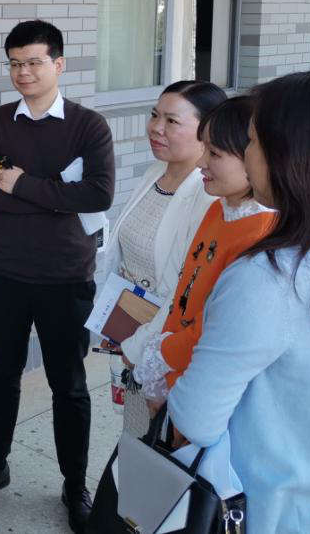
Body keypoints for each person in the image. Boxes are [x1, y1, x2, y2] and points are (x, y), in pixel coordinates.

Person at [167, 71, 310, 534]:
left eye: (251, 141)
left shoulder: (269, 277)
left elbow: (195, 417)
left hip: (273, 513)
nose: (246, 153)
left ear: (290, 156)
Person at [0, 20, 114, 534]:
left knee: (69, 386)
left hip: (66, 278)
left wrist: (22, 184)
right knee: (0, 375)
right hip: (2, 273)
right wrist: (54, 197)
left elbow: (97, 194)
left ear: (59, 64)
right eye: (14, 63)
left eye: (33, 62)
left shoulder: (89, 126)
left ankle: (74, 484)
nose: (23, 72)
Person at [96, 79, 225, 437]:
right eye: (155, 115)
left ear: (207, 130)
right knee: (135, 433)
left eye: (172, 121)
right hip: (130, 330)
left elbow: (186, 288)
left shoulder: (208, 196)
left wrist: (139, 347)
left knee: (161, 443)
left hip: (164, 345)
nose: (156, 127)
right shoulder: (154, 173)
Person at [130, 96, 275, 404]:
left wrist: (160, 358)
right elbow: (185, 291)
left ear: (254, 157)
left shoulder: (261, 235)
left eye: (215, 153)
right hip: (173, 371)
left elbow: (214, 325)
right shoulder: (218, 209)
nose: (200, 162)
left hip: (199, 385)